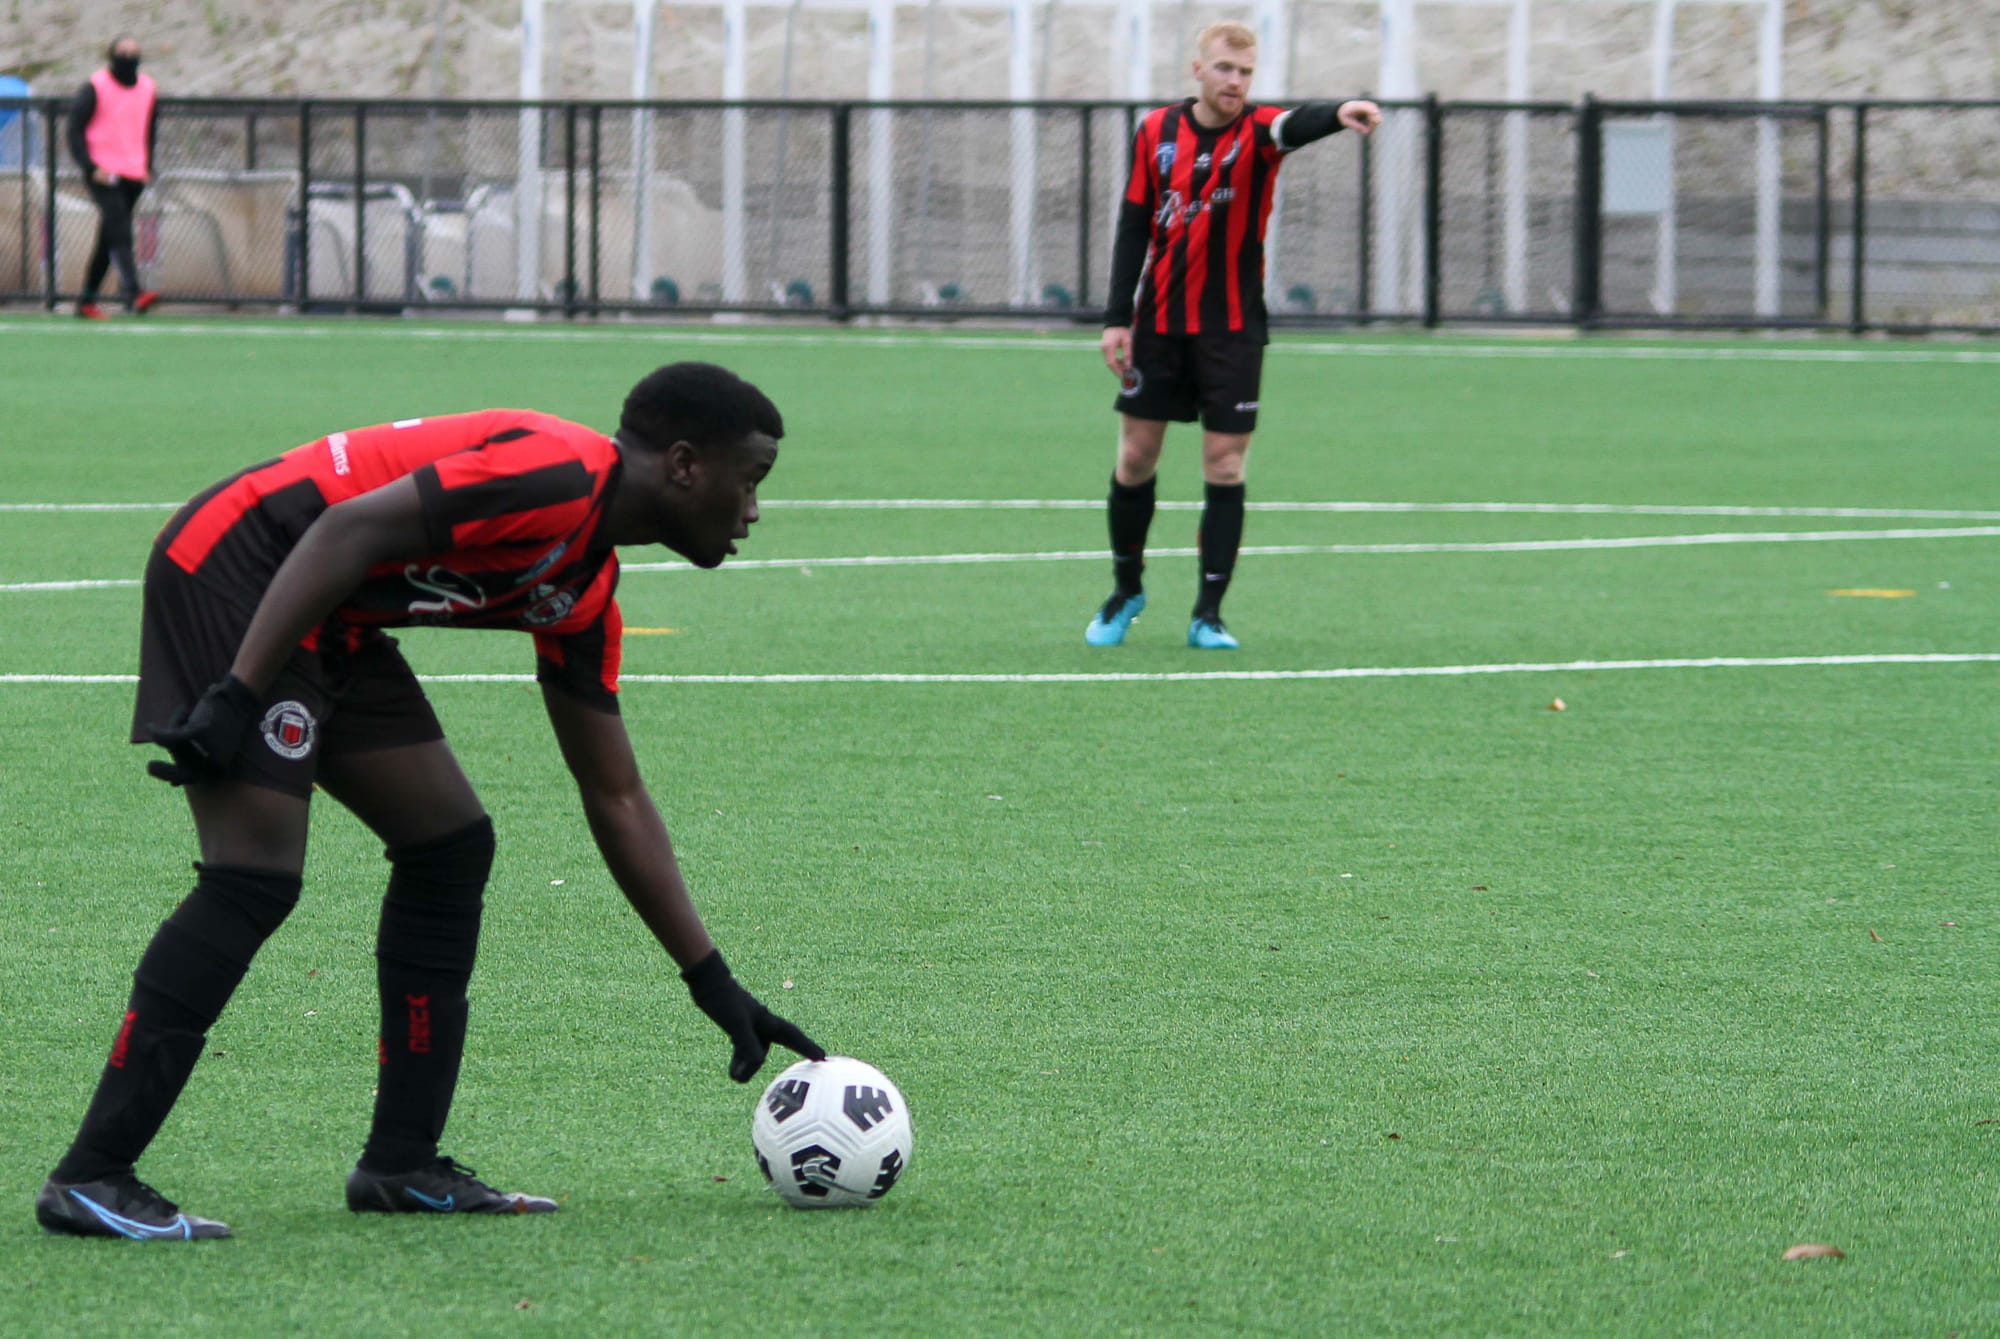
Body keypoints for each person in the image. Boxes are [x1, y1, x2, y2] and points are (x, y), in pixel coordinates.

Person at [35, 362, 825, 1241]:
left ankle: (401, 1163)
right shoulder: (557, 473)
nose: (753, 509)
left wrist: (712, 981)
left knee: (449, 842)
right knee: (252, 874)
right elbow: (346, 526)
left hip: (331, 614)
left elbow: (617, 794)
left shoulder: (584, 592)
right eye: (750, 481)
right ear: (683, 465)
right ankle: (92, 1174)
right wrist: (237, 692)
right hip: (243, 566)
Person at [1087, 22, 1379, 650]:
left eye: (1245, 73)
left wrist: (1341, 111)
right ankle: (1125, 589)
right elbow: (1133, 224)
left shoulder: (1260, 132)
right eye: (1224, 69)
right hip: (1159, 323)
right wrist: (1117, 318)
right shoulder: (1155, 132)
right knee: (1136, 458)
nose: (1235, 82)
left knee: (1224, 464)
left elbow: (1296, 123)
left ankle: (1208, 613)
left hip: (1232, 330)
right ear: (1198, 69)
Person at [67, 36, 160, 320]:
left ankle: (87, 300)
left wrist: (147, 166)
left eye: (133, 51)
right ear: (111, 55)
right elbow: (74, 130)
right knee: (119, 228)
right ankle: (133, 292)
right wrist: (90, 166)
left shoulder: (147, 88)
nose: (128, 56)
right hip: (103, 172)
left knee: (108, 238)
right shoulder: (95, 87)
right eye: (123, 52)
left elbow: (149, 131)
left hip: (133, 171)